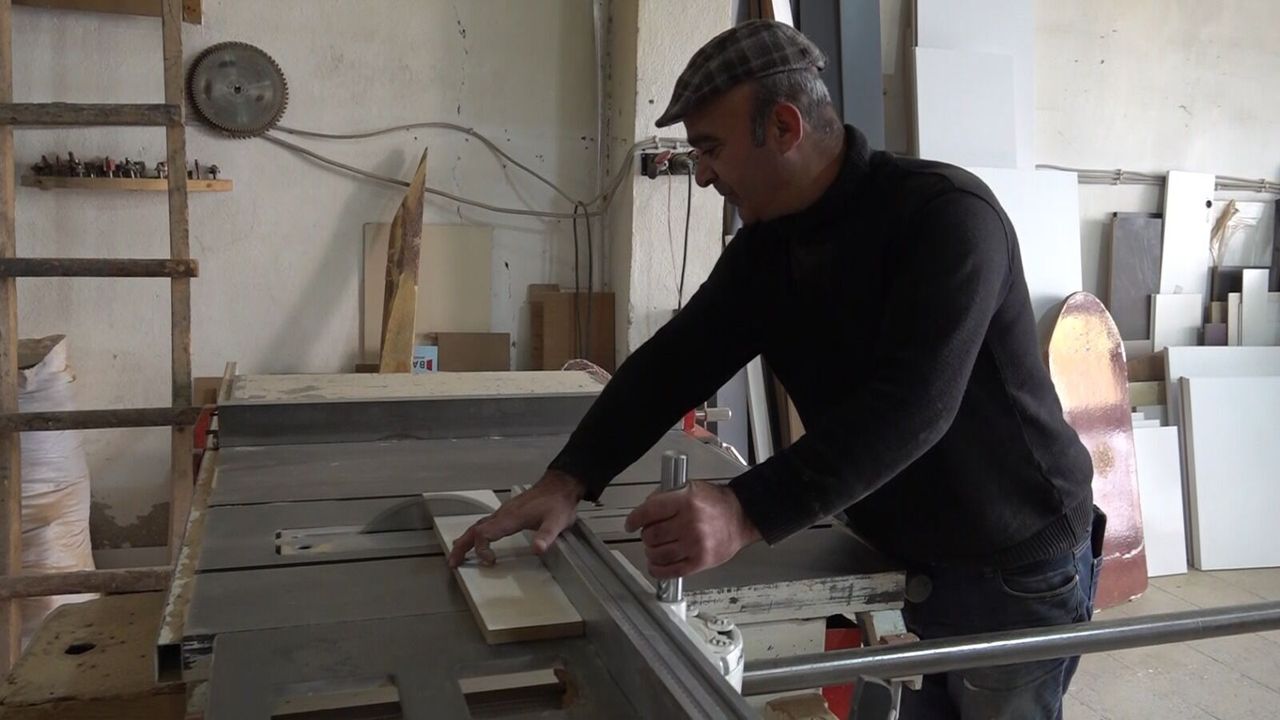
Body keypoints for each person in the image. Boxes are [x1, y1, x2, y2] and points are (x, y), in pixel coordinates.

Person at [448, 19, 1102, 720]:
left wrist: (743, 509)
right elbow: (676, 360)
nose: (702, 174)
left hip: (1012, 557)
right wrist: (569, 478)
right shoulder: (770, 248)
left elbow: (915, 406)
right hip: (907, 549)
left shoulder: (945, 218)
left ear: (784, 127)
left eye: (711, 148)